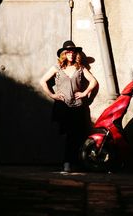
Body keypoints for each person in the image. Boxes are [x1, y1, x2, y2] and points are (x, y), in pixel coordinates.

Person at [39, 40, 98, 172]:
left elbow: (93, 81)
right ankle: (68, 162)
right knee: (68, 135)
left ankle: (71, 163)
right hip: (63, 107)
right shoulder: (57, 68)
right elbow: (42, 81)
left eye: (73, 52)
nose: (71, 54)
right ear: (64, 54)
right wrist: (52, 95)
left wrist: (85, 93)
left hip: (78, 107)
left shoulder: (80, 68)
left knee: (78, 135)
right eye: (68, 52)